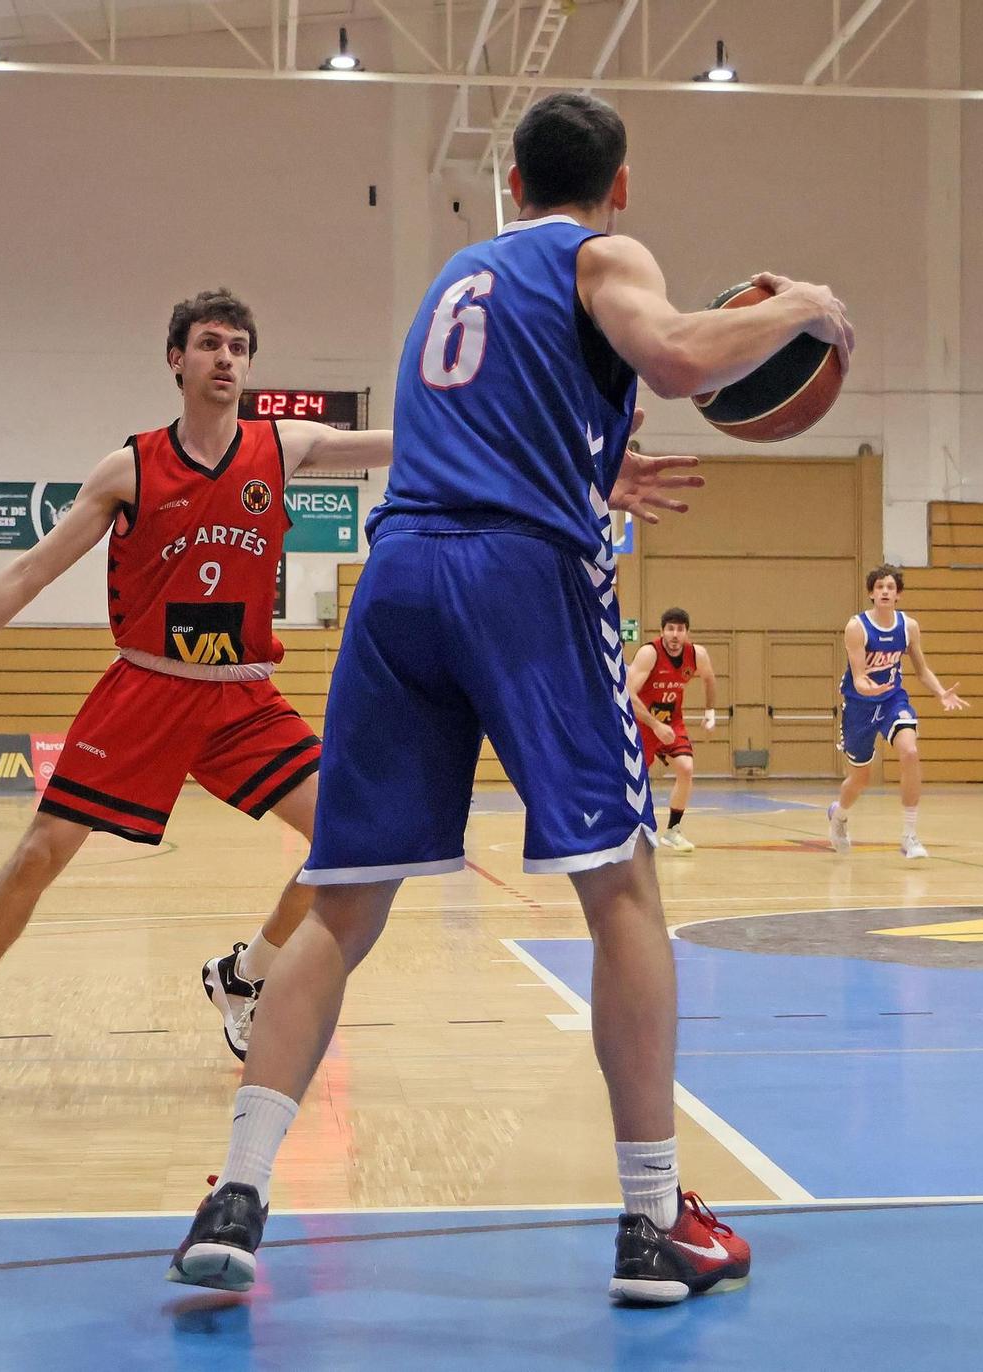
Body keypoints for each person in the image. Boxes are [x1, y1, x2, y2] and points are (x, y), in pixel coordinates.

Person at [168, 92, 852, 1304]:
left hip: (399, 581)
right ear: (617, 184)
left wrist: (598, 460)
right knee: (621, 888)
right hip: (518, 580)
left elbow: (488, 416)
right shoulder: (604, 251)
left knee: (337, 905)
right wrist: (805, 304)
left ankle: (236, 1193)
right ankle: (653, 1222)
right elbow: (680, 357)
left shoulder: (456, 276)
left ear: (515, 183)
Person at [0, 289, 390, 1086]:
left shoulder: (282, 447)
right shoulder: (132, 469)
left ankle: (244, 974)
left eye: (239, 348)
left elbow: (410, 441)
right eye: (210, 344)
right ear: (176, 359)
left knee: (357, 844)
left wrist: (541, 424)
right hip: (147, 688)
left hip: (241, 695)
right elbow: (29, 571)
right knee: (40, 853)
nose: (226, 359)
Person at [828, 564, 968, 860]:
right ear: (871, 593)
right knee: (860, 779)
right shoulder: (857, 627)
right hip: (859, 706)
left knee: (910, 752)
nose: (885, 592)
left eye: (890, 587)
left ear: (898, 595)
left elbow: (921, 669)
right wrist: (871, 690)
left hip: (893, 701)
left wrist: (941, 692)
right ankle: (838, 816)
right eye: (879, 587)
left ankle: (909, 834)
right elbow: (859, 678)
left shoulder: (908, 627)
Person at [626, 607, 717, 852]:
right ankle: (630, 829)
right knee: (635, 779)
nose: (675, 634)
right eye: (670, 629)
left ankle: (673, 830)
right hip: (642, 722)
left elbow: (709, 678)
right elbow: (628, 695)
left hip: (672, 721)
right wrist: (654, 725)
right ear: (662, 631)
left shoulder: (697, 655)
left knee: (686, 768)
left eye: (680, 629)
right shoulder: (649, 653)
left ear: (687, 633)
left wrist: (710, 712)